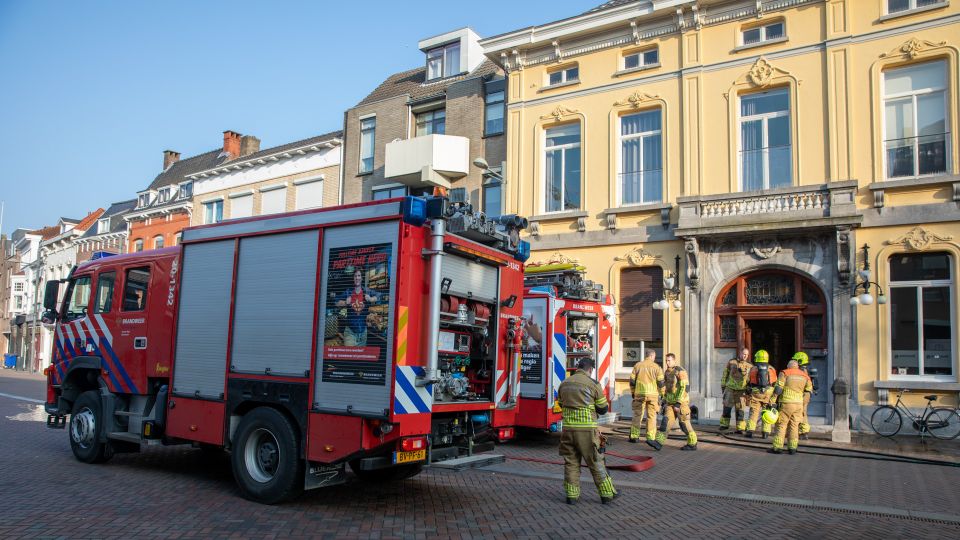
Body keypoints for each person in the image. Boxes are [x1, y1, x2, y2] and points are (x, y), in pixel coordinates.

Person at [556, 357, 617, 504]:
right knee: (595, 461)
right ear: (590, 370)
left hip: (568, 430)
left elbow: (560, 403)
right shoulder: (593, 384)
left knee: (571, 462)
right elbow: (603, 409)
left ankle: (571, 496)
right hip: (586, 430)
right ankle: (607, 494)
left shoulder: (564, 383)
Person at [770, 359, 813, 454]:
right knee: (794, 426)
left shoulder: (785, 373)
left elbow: (778, 388)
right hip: (798, 404)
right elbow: (809, 391)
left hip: (786, 403)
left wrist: (773, 400)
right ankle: (793, 448)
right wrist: (803, 403)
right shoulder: (805, 375)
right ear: (797, 366)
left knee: (781, 425)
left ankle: (777, 447)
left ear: (788, 366)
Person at [659, 353, 697, 450]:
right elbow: (666, 388)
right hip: (670, 403)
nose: (667, 363)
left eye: (669, 360)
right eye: (666, 360)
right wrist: (663, 399)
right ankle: (658, 442)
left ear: (674, 360)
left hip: (681, 404)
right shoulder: (667, 372)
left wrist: (678, 403)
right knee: (665, 423)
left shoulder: (680, 371)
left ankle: (692, 444)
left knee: (684, 424)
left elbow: (684, 388)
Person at [629, 349, 665, 450]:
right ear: (652, 356)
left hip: (639, 394)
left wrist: (633, 392)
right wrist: (662, 394)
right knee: (651, 416)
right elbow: (661, 383)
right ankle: (650, 437)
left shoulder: (637, 365)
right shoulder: (657, 367)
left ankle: (634, 436)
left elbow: (632, 381)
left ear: (646, 356)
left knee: (637, 415)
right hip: (653, 396)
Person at [335, 268, 380, 346]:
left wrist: (371, 299)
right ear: (353, 278)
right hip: (350, 333)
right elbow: (336, 302)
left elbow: (379, 295)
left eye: (359, 276)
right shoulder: (348, 292)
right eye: (355, 276)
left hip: (363, 334)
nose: (357, 278)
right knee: (350, 356)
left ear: (362, 278)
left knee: (360, 357)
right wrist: (345, 302)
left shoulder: (367, 291)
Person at [745, 350, 777, 439]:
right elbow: (775, 382)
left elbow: (748, 381)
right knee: (766, 412)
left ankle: (750, 431)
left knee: (753, 412)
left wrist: (748, 391)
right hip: (768, 393)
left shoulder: (753, 369)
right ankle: (765, 433)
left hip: (756, 393)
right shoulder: (771, 369)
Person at [719, 347, 752, 434]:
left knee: (740, 410)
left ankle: (740, 428)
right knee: (727, 407)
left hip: (741, 391)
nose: (744, 356)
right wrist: (723, 386)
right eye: (743, 354)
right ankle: (724, 425)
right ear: (740, 353)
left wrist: (749, 390)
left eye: (746, 354)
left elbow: (751, 380)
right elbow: (725, 374)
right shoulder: (731, 362)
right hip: (730, 389)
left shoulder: (750, 366)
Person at [792, 351, 817, 439]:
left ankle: (803, 431)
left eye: (795, 360)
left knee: (801, 412)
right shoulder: (806, 369)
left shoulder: (802, 371)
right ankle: (803, 430)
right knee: (803, 412)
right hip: (806, 393)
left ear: (799, 361)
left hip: (803, 393)